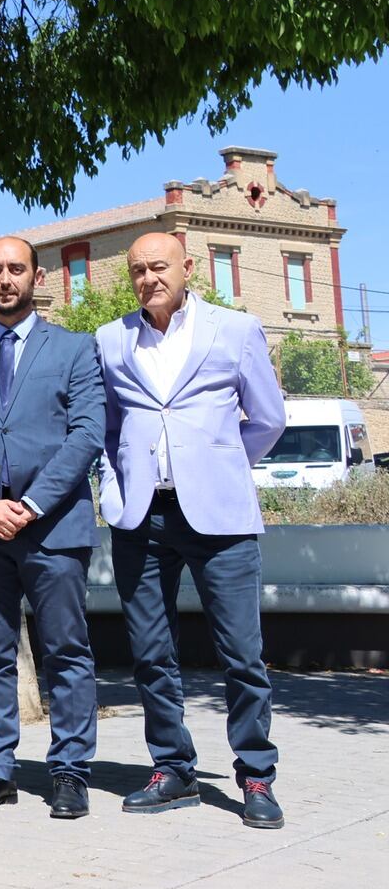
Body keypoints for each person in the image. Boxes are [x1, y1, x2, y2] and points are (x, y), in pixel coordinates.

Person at [96, 231, 288, 829]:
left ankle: (255, 774)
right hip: (140, 517)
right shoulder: (110, 340)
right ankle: (172, 768)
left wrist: (220, 463)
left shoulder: (235, 329)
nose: (149, 277)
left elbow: (268, 419)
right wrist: (113, 486)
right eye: (137, 270)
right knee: (151, 653)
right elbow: (103, 429)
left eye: (159, 266)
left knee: (242, 654)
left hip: (220, 518)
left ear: (188, 267)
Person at [0, 237, 105, 819]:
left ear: (35, 276)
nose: (5, 279)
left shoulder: (77, 350)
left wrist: (29, 505)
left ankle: (70, 770)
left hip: (52, 529)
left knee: (67, 651)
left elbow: (85, 436)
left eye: (16, 269)